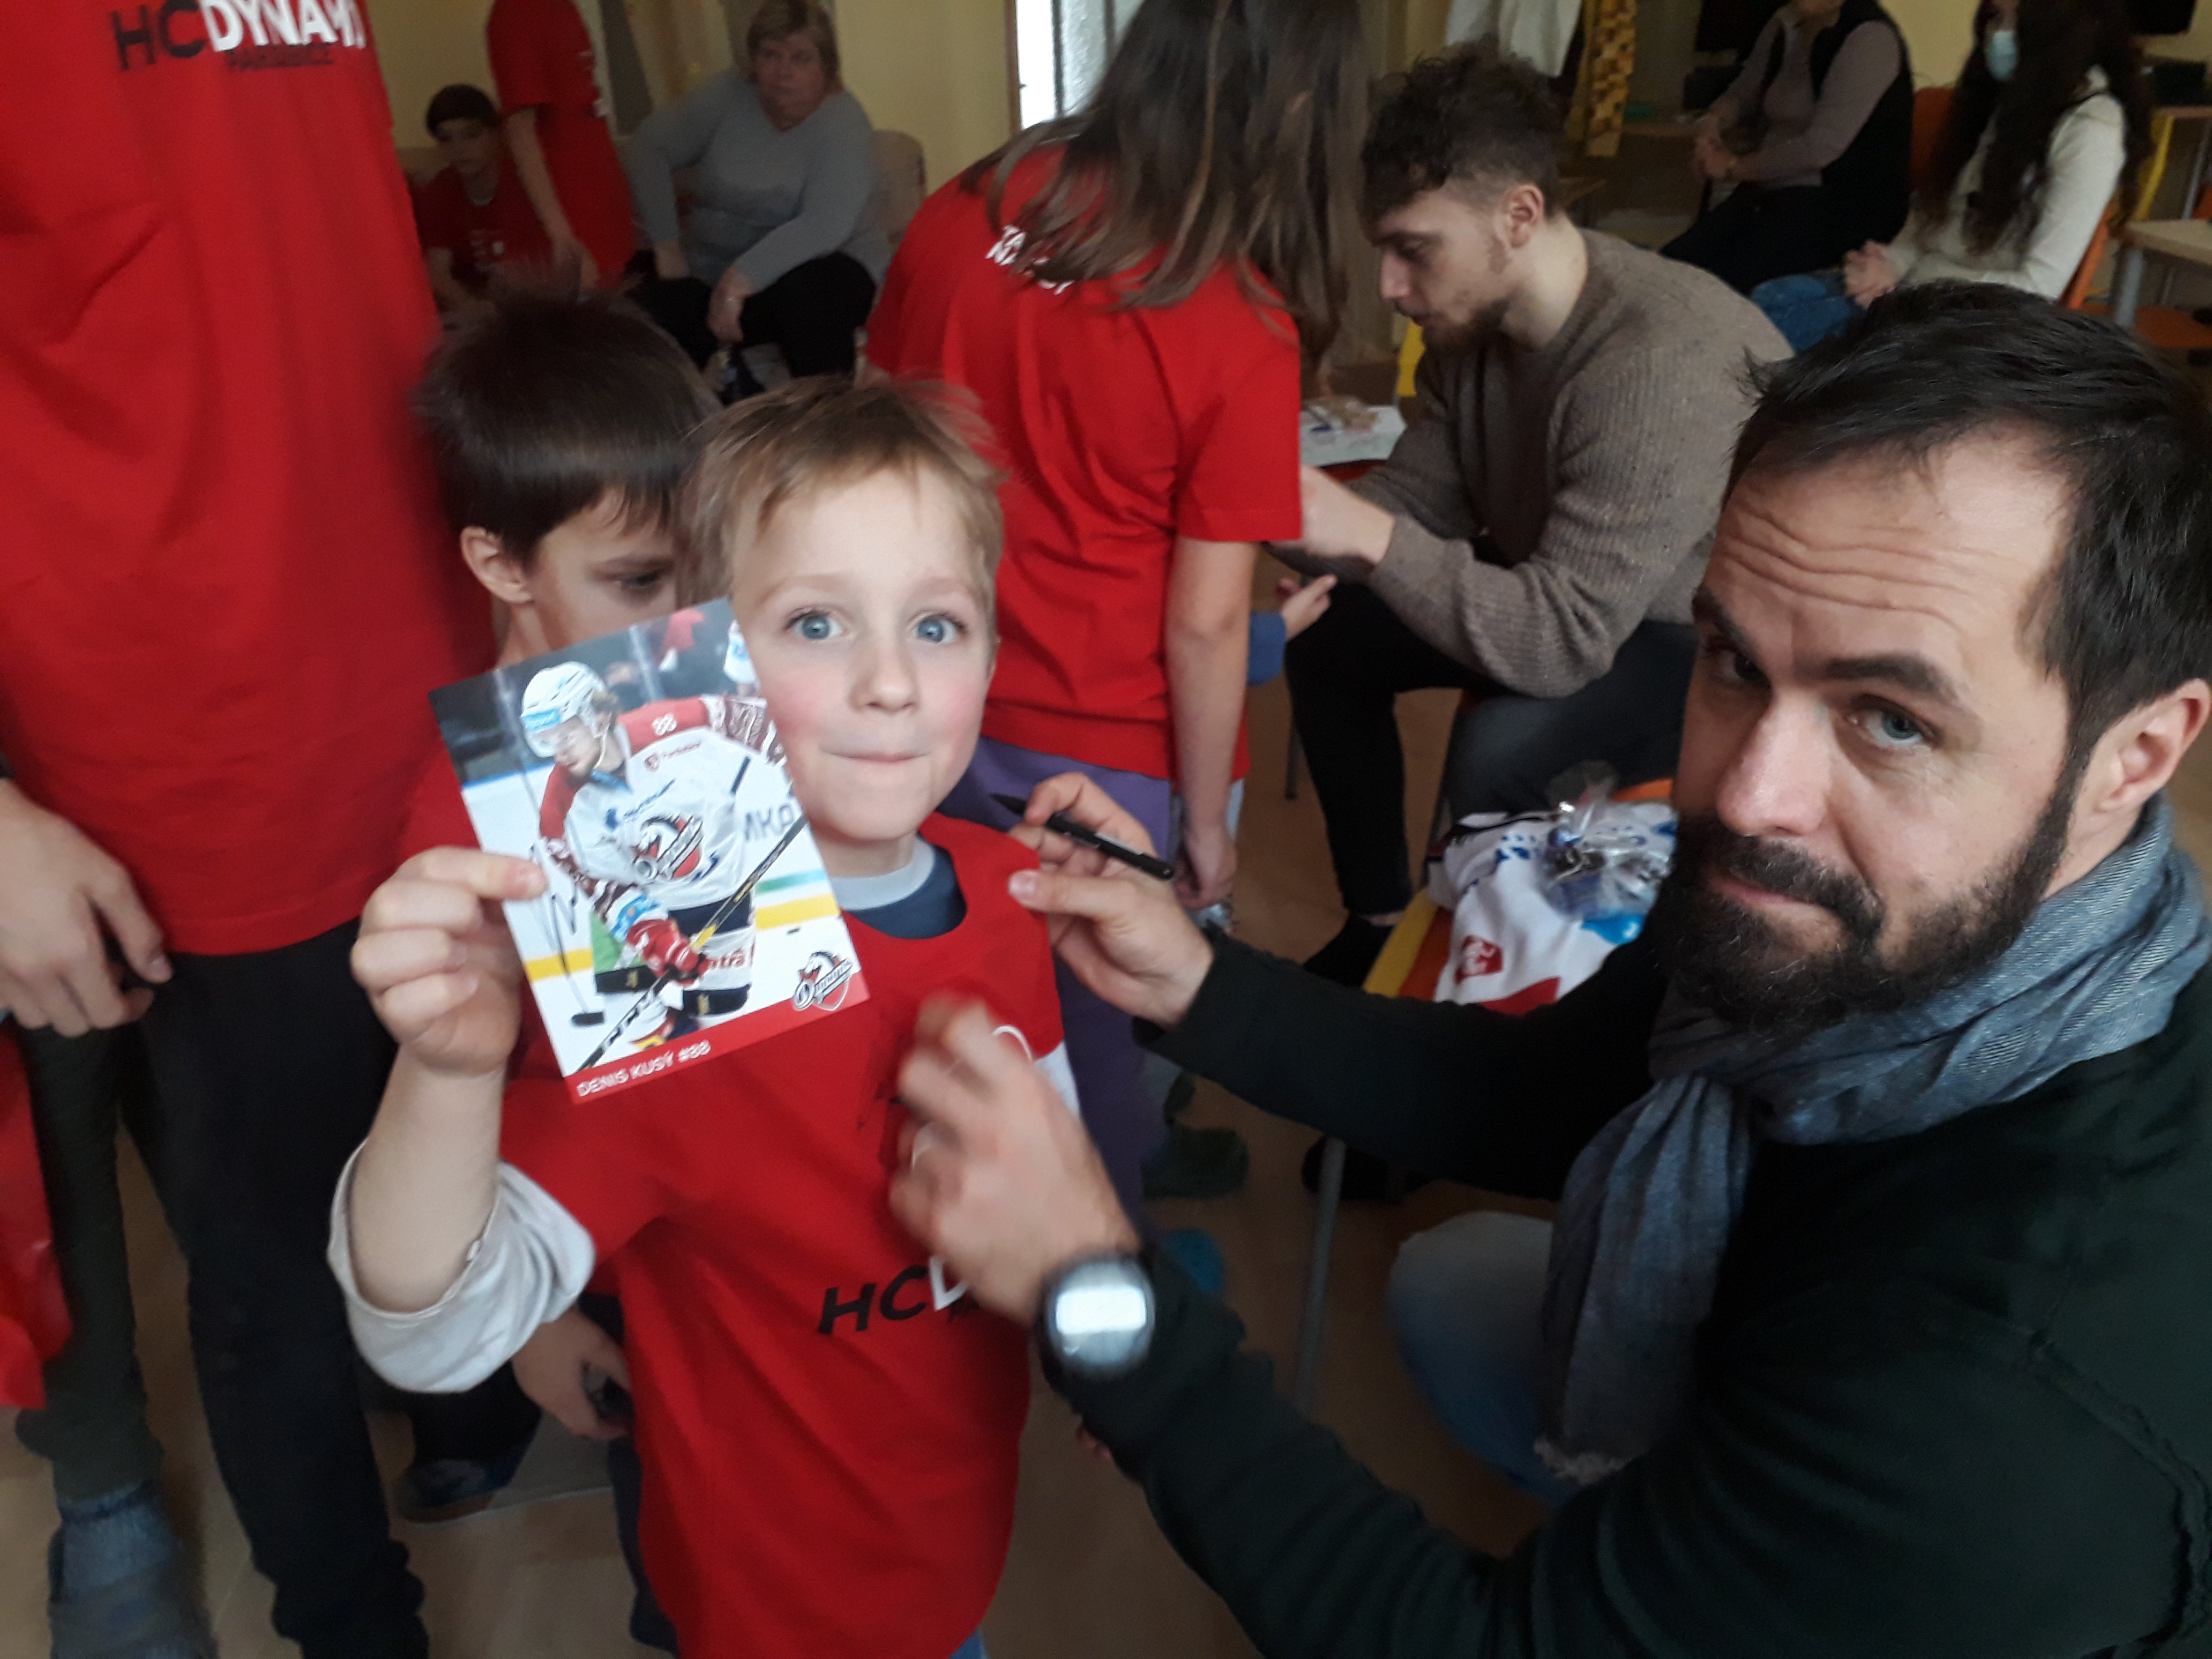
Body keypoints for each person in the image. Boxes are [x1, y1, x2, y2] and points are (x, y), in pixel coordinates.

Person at [889, 283, 2212, 1657]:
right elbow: (1553, 1092)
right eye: (1732, 661)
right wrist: (1196, 983)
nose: (1745, 795)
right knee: (1451, 1286)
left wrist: (1093, 1295)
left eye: (1890, 720)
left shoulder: (2009, 1381)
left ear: (2135, 755)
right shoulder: (1862, 939)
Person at [331, 380, 1072, 1659]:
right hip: (770, 1599)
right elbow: (433, 1327)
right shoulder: (684, 992)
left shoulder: (1008, 891)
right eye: (817, 623)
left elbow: (1053, 1170)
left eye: (937, 624)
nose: (892, 682)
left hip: (961, 1538)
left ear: (993, 655)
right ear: (700, 659)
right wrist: (446, 1073)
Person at [1, 5, 490, 1654]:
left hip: (440, 666)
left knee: (480, 1137)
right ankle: (350, 1623)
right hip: (192, 749)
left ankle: (475, 1395)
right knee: (271, 1272)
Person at [866, 0, 1368, 1221]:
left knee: (951, 979)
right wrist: (1204, 831)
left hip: (928, 702)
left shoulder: (969, 205)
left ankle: (1008, 1194)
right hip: (1102, 752)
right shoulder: (1238, 319)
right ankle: (1111, 1271)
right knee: (1096, 1023)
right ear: (1296, 108)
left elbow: (871, 434)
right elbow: (1202, 625)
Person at [1285, 42, 1786, 993]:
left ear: (1517, 216)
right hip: (1563, 589)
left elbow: (1559, 640)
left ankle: (1479, 993)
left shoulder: (1657, 361)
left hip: (1705, 641)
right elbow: (1416, 503)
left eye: (1412, 249)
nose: (1389, 286)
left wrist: (1359, 533)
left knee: (1502, 748)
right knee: (1332, 635)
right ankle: (1377, 924)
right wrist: (1266, 511)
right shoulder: (1468, 334)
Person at [1752, 0, 2146, 349]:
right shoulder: (2007, 102)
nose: (2000, 35)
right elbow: (1929, 227)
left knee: (1775, 324)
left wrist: (1909, 284)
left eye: (2017, 21)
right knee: (1772, 297)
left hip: (1974, 323)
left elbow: (2039, 288)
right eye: (1995, 17)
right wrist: (1888, 265)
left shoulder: (2091, 130)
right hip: (1919, 292)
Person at [627, 0, 886, 383]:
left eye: (801, 59)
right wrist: (666, 243)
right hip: (712, 273)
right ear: (752, 62)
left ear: (827, 68)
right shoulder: (729, 94)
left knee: (811, 294)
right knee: (648, 310)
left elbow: (823, 225)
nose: (784, 72)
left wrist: (739, 281)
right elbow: (649, 146)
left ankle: (825, 411)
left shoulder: (844, 123)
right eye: (770, 55)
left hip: (816, 271)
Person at [1661, 0, 1914, 294]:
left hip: (1835, 206)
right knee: (1669, 268)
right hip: (1771, 193)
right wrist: (1712, 123)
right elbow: (1745, 92)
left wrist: (1733, 167)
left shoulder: (1870, 38)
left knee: (1719, 288)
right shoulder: (1786, 21)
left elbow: (1819, 148)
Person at [485, 0, 637, 292]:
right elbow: (520, 129)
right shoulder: (517, 11)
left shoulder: (564, 8)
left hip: (600, 214)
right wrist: (562, 236)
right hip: (570, 225)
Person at [413, 83, 551, 313]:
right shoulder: (440, 190)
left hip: (530, 303)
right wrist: (472, 308)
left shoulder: (526, 182)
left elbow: (539, 266)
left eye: (472, 135)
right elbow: (437, 270)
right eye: (446, 139)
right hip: (471, 305)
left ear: (496, 134)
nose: (459, 148)